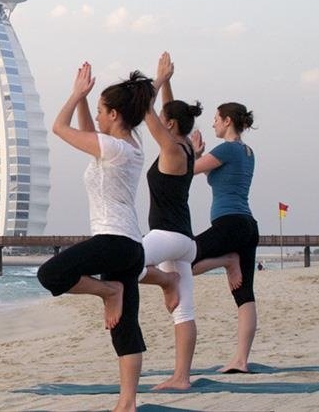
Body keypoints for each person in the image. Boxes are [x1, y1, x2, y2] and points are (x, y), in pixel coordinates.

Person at [37, 63, 154, 412]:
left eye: (103, 112)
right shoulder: (128, 145)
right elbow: (91, 134)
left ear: (115, 114)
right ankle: (127, 404)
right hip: (132, 246)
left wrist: (75, 95)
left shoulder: (114, 148)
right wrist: (88, 100)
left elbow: (59, 128)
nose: (99, 118)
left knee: (51, 275)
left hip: (112, 240)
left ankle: (108, 291)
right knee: (125, 327)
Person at [137, 52, 202, 390]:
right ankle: (182, 378)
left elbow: (147, 111)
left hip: (167, 235)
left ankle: (165, 282)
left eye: (166, 118)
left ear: (171, 124)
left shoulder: (172, 147)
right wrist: (169, 84)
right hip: (183, 239)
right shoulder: (186, 147)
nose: (161, 120)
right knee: (184, 312)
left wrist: (158, 78)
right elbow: (166, 110)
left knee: (122, 264)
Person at [189, 101, 258, 374]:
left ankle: (227, 261)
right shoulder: (247, 151)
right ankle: (241, 361)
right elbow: (208, 170)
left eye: (216, 119)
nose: (213, 123)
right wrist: (199, 156)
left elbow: (189, 171)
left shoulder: (227, 149)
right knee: (245, 296)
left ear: (228, 120)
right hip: (247, 226)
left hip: (229, 224)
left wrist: (192, 154)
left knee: (185, 262)